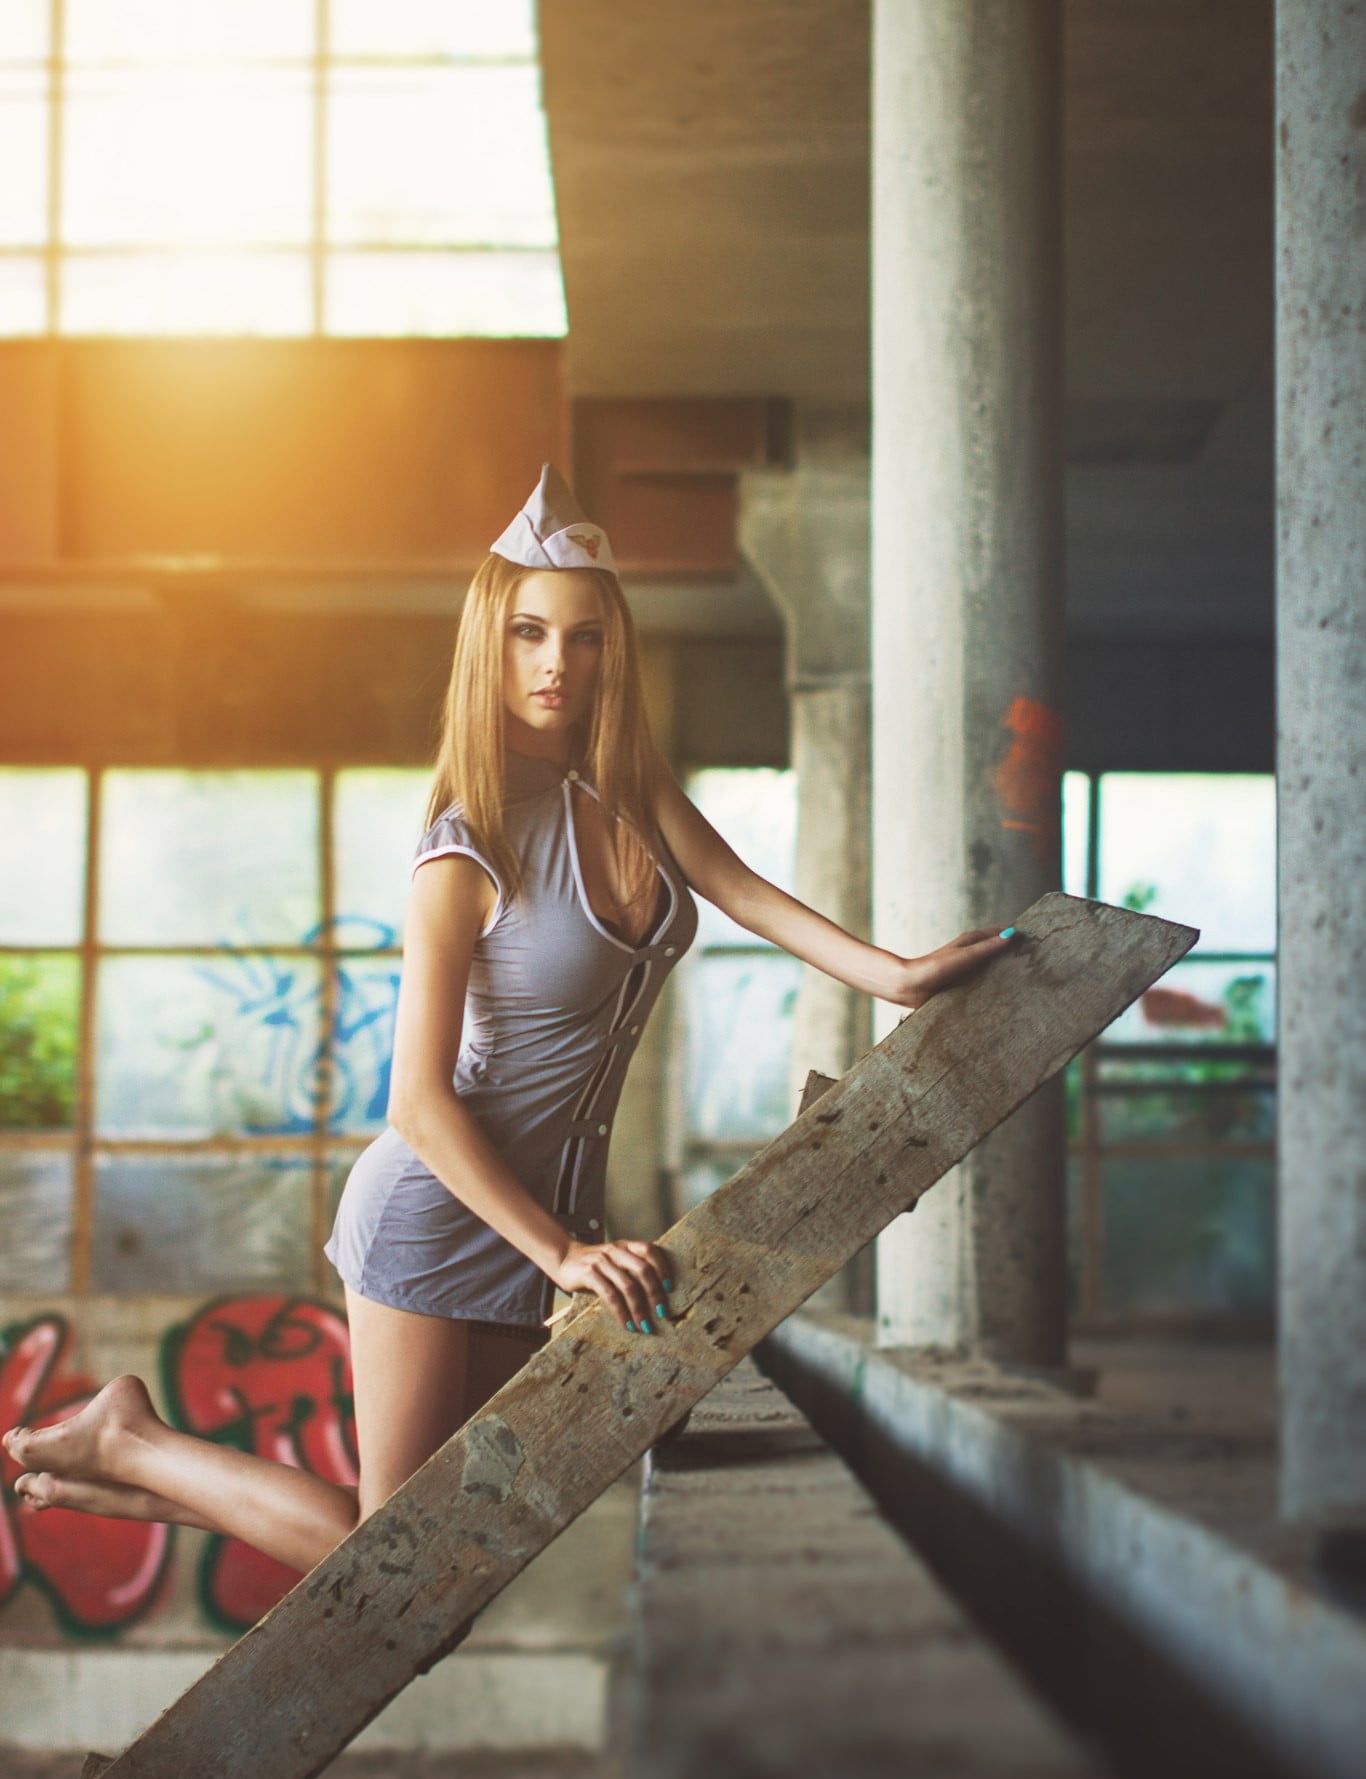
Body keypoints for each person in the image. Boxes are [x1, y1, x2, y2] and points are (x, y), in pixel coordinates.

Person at [2, 463, 1018, 1579]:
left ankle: (121, 1465)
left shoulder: (631, 794)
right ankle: (132, 1439)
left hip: (551, 1230)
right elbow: (417, 1104)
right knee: (407, 1551)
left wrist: (897, 978)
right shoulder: (464, 843)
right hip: (441, 1217)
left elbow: (747, 895)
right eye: (530, 633)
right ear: (490, 643)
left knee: (437, 1545)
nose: (555, 664)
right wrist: (565, 1252)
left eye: (582, 638)